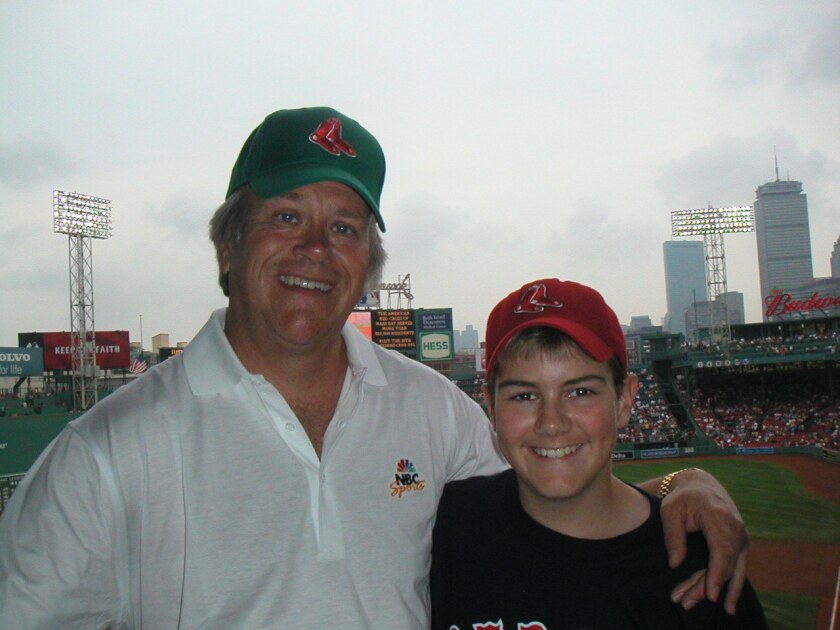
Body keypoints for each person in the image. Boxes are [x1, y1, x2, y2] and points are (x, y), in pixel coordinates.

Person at [0, 108, 747, 628]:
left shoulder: (433, 410)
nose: (316, 248)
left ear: (367, 266)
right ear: (229, 245)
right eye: (286, 216)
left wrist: (681, 481)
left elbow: (556, 477)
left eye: (345, 227)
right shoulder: (102, 454)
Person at [431, 278, 767, 629]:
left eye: (580, 391)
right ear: (491, 406)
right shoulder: (449, 524)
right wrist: (682, 479)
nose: (551, 423)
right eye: (524, 396)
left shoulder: (699, 571)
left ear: (624, 399)